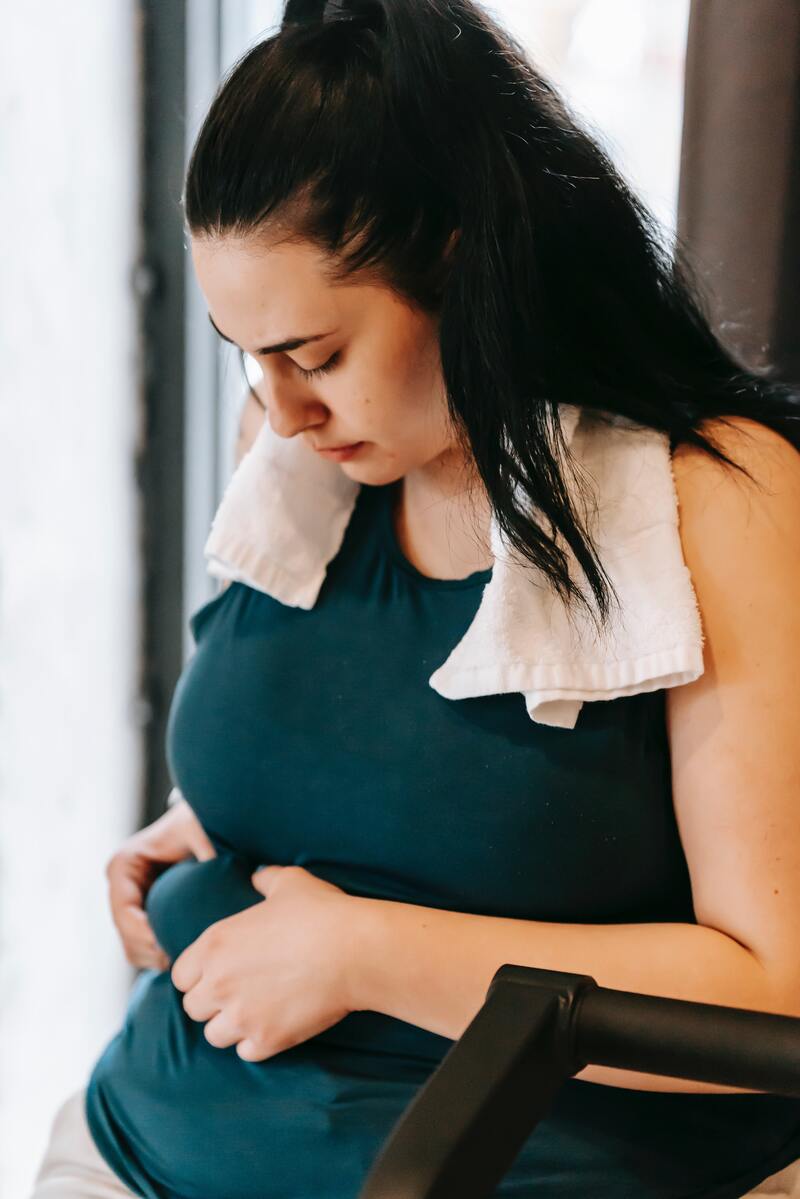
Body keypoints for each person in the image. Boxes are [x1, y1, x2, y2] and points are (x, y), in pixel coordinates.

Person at [31, 0, 800, 1196]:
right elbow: (378, 745)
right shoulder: (301, 454)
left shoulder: (716, 500)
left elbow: (774, 988)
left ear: (455, 258)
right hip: (136, 1138)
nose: (279, 411)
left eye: (315, 353)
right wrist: (216, 821)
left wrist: (368, 953)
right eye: (248, 353)